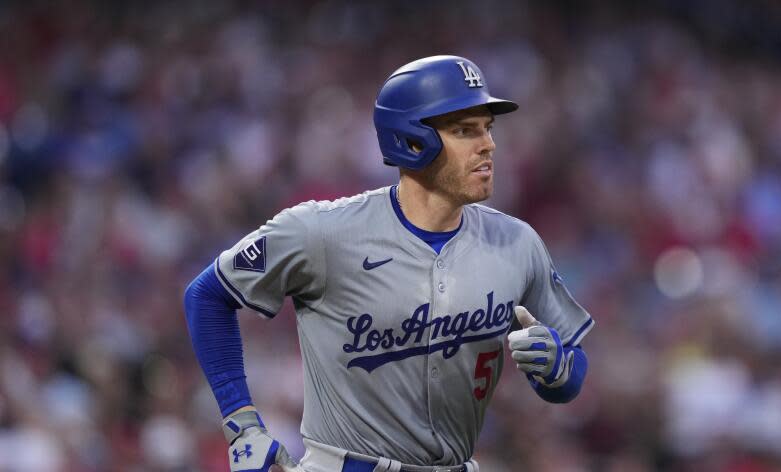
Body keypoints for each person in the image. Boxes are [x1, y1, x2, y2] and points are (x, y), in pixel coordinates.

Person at [184, 55, 594, 472]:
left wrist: (558, 368)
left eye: (487, 128)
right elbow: (207, 295)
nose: (488, 144)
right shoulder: (324, 232)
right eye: (465, 131)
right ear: (413, 141)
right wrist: (242, 424)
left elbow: (572, 371)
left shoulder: (518, 243)